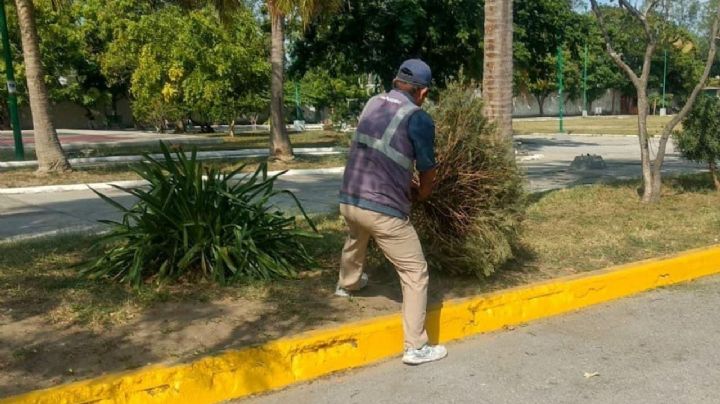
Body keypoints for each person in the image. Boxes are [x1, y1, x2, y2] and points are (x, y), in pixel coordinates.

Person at [336, 59, 446, 365]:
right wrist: (424, 193)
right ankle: (416, 347)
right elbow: (427, 167)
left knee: (357, 232)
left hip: (349, 197)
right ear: (422, 92)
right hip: (382, 208)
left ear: (396, 82)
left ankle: (348, 283)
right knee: (414, 271)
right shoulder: (418, 118)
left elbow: (379, 150)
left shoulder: (372, 102)